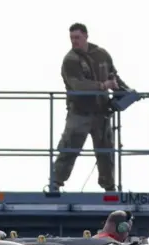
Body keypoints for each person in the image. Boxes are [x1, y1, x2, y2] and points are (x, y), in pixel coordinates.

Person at [52, 23, 130, 192]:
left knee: (106, 151)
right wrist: (103, 85)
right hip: (79, 112)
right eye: (72, 38)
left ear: (86, 36)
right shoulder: (70, 60)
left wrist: (126, 91)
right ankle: (55, 183)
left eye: (77, 37)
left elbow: (113, 76)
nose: (74, 41)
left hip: (101, 112)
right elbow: (77, 85)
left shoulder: (101, 55)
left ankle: (109, 186)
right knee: (69, 148)